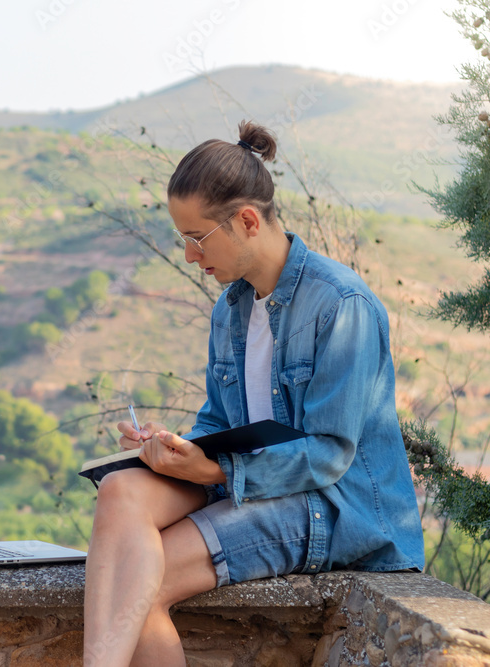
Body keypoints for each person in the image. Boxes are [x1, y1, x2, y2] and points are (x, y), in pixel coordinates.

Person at [83, 120, 424, 667]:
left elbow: (329, 454)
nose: (191, 256)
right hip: (257, 487)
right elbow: (220, 420)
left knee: (134, 583)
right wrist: (175, 447)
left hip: (332, 509)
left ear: (246, 221)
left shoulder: (341, 306)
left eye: (197, 238)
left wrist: (218, 472)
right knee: (122, 490)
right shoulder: (233, 309)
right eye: (184, 241)